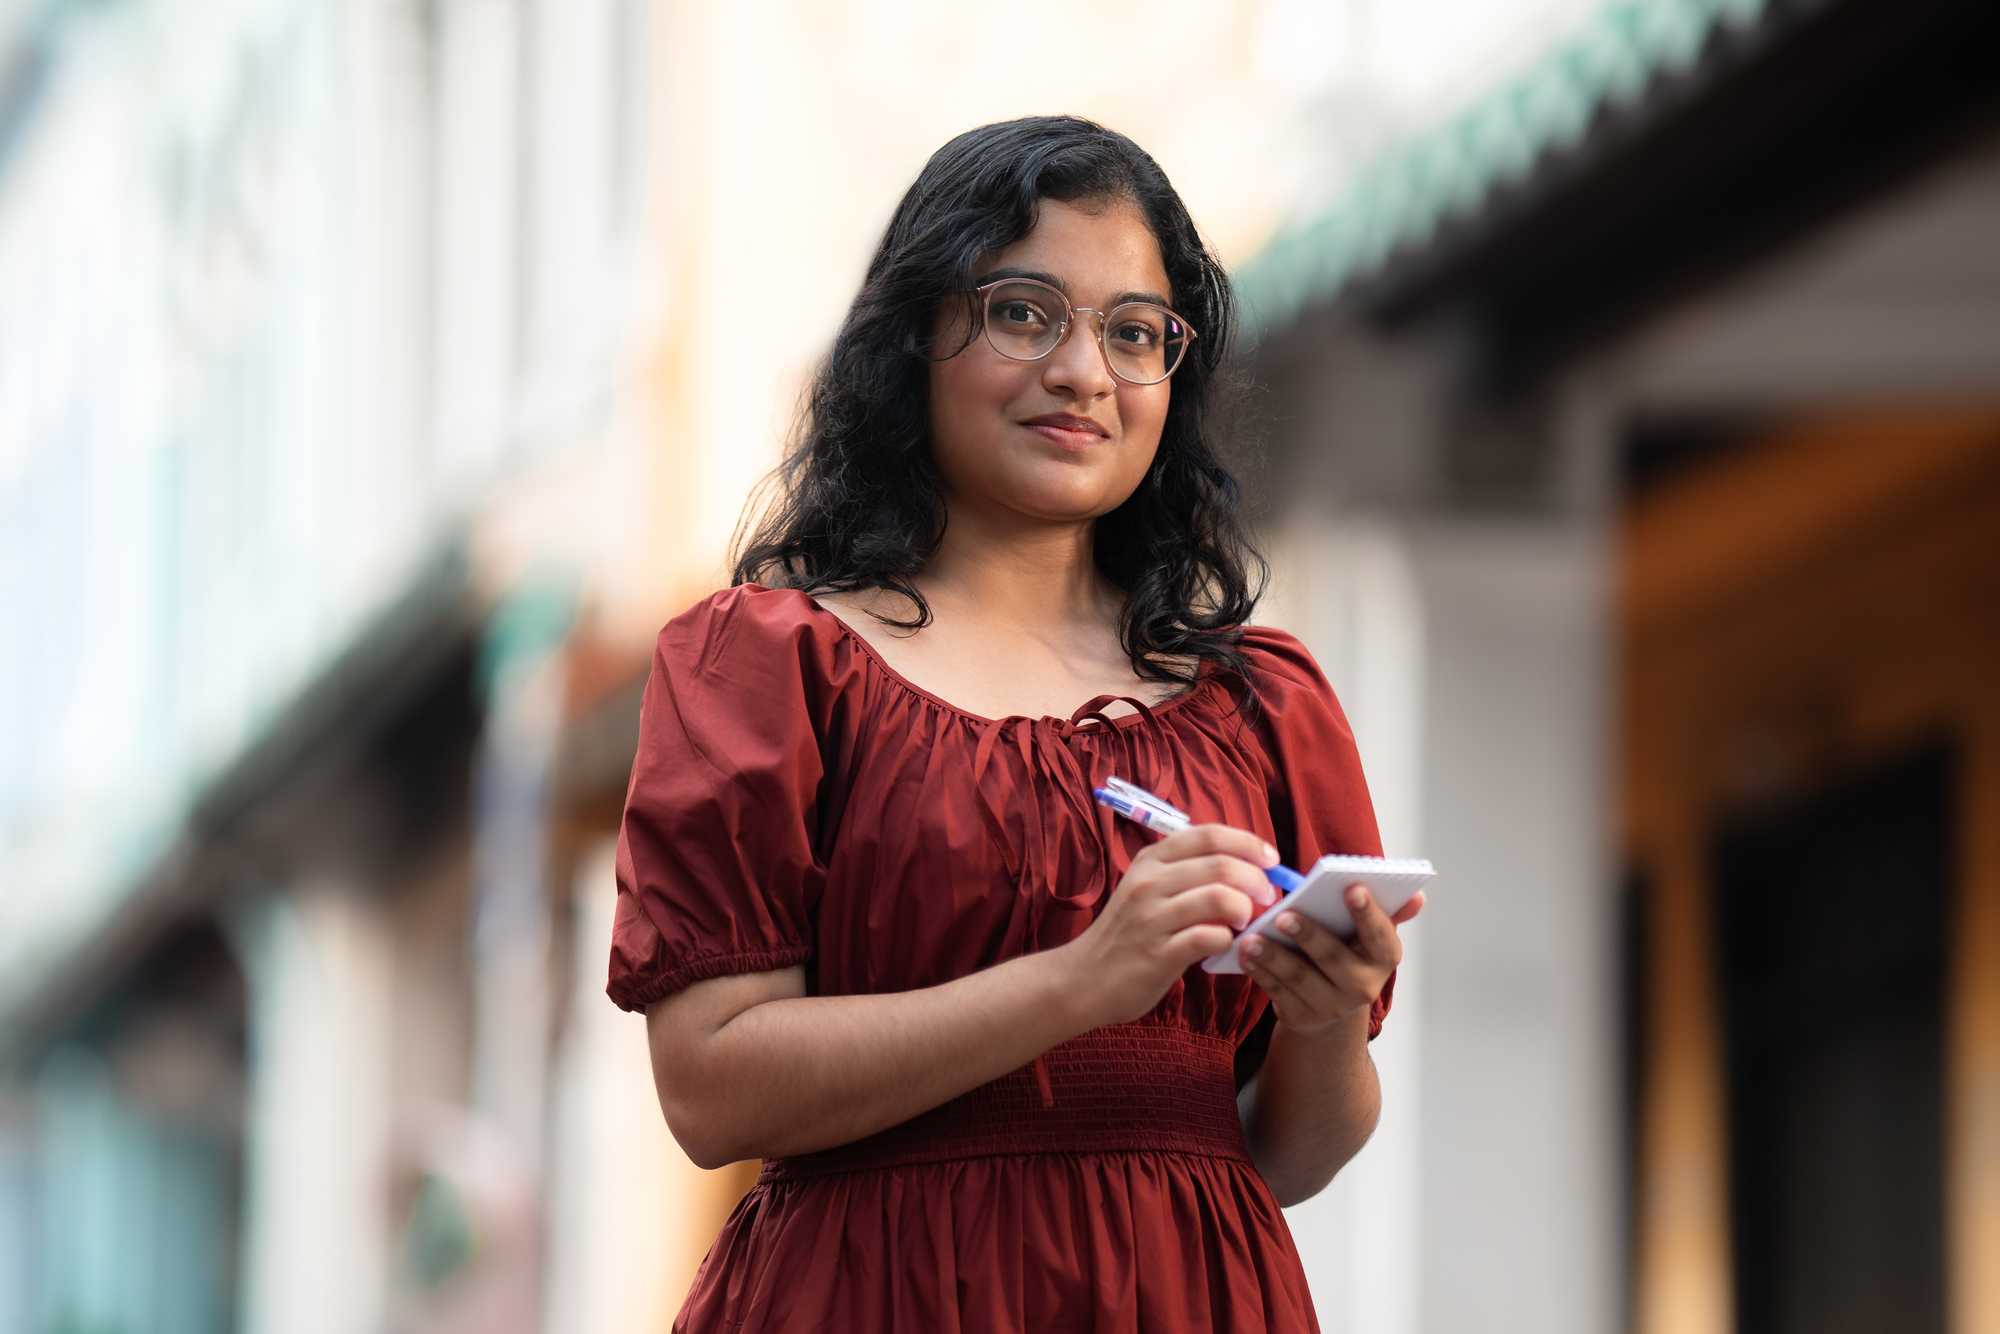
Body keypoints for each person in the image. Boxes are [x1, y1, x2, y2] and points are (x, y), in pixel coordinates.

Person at [606, 114, 1425, 1332]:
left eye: (1133, 332)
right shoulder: (768, 666)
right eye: (1024, 312)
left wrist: (1318, 1020)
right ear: (915, 338)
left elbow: (1285, 1153)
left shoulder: (1261, 704)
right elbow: (711, 1088)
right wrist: (1081, 979)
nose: (1083, 373)